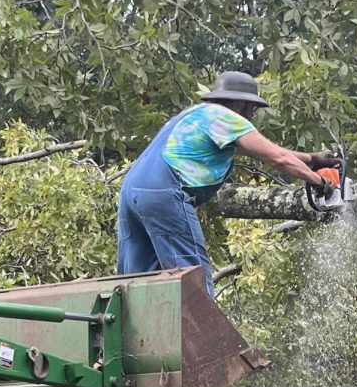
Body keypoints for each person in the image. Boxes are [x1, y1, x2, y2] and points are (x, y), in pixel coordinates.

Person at [116, 70, 339, 298]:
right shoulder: (226, 118)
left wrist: (313, 159)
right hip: (163, 192)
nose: (251, 115)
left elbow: (273, 152)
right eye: (251, 109)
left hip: (130, 193)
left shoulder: (197, 114)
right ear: (240, 103)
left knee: (135, 282)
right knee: (192, 283)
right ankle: (201, 333)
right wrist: (320, 182)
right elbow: (277, 159)